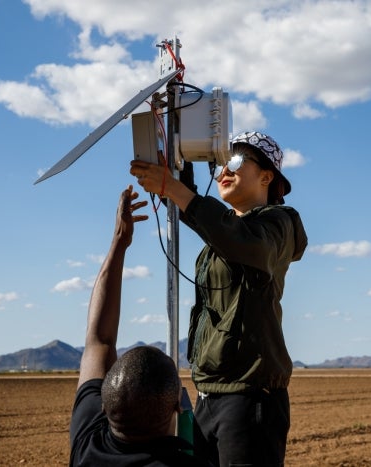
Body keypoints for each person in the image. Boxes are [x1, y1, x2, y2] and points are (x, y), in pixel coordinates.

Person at [130, 131, 308, 466]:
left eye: (236, 162)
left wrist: (178, 190)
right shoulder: (223, 232)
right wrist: (177, 170)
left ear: (266, 176)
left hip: (249, 396)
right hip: (210, 396)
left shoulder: (279, 225)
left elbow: (239, 239)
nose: (224, 171)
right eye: (220, 164)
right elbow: (210, 220)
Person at [69, 185, 210, 467]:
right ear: (177, 408)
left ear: (105, 407)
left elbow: (98, 340)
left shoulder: (87, 444)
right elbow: (101, 341)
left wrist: (119, 241)